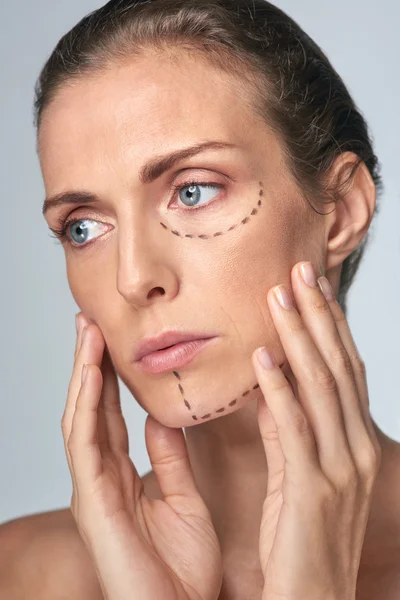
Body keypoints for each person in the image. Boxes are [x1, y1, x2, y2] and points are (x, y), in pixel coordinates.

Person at [1, 0, 399, 598]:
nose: (133, 279)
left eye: (192, 190)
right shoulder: (20, 574)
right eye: (83, 226)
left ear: (340, 213)